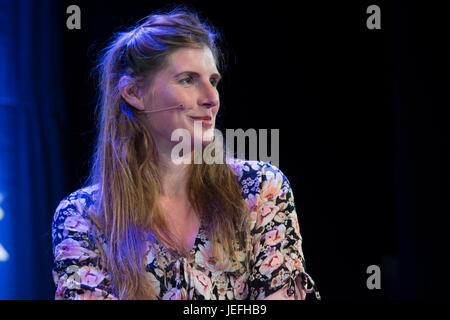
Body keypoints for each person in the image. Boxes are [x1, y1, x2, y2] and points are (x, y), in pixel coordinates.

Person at [51, 7, 320, 300]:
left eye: (213, 81)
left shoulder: (260, 189)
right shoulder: (83, 217)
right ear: (134, 94)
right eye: (188, 80)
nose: (211, 98)